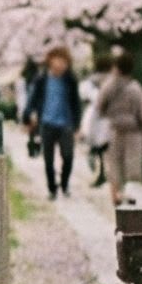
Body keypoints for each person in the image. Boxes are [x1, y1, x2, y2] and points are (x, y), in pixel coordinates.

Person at [94, 52, 142, 205]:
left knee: (114, 162)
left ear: (116, 67)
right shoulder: (136, 88)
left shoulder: (108, 86)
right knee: (131, 162)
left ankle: (115, 195)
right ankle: (127, 192)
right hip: (133, 132)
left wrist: (109, 115)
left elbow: (99, 107)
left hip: (113, 129)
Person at [25, 48, 81, 198]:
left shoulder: (70, 80)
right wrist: (28, 116)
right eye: (58, 60)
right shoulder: (42, 79)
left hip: (66, 123)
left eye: (64, 62)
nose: (60, 65)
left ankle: (64, 183)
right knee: (48, 158)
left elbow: (76, 103)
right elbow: (32, 99)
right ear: (50, 61)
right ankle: (52, 189)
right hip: (47, 122)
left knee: (68, 156)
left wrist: (77, 125)